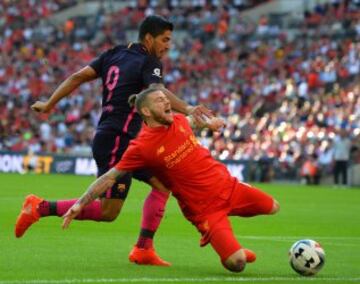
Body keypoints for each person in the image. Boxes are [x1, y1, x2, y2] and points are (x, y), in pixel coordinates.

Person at [15, 15, 211, 266]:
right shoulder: (149, 61)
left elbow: (77, 76)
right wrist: (188, 108)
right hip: (119, 138)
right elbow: (156, 92)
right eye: (165, 40)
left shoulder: (113, 54)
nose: (168, 46)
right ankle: (39, 207)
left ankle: (143, 248)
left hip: (118, 137)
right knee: (108, 212)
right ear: (149, 38)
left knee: (163, 184)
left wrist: (49, 104)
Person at [62, 87, 280, 273]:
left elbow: (194, 122)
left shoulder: (178, 120)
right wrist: (81, 203)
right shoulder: (141, 147)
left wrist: (211, 123)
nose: (167, 101)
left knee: (274, 207)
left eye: (166, 99)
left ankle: (230, 245)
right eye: (160, 100)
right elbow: (110, 177)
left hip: (230, 187)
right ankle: (233, 249)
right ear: (146, 111)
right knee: (237, 263)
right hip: (204, 209)